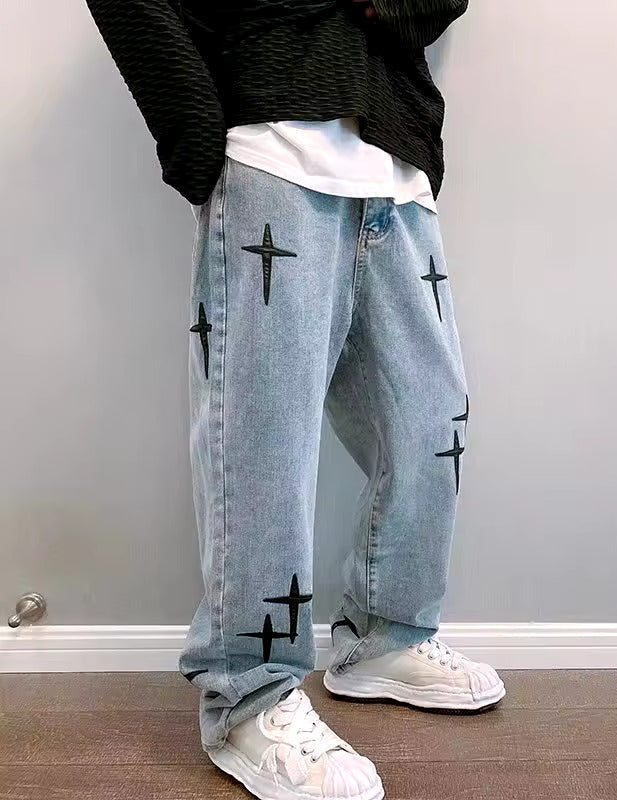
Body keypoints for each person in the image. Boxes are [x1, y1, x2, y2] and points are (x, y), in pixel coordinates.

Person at [85, 1, 505, 798]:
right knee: (265, 438)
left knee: (431, 423)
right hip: (271, 158)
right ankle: (249, 695)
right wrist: (196, 137)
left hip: (396, 164)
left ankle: (385, 636)